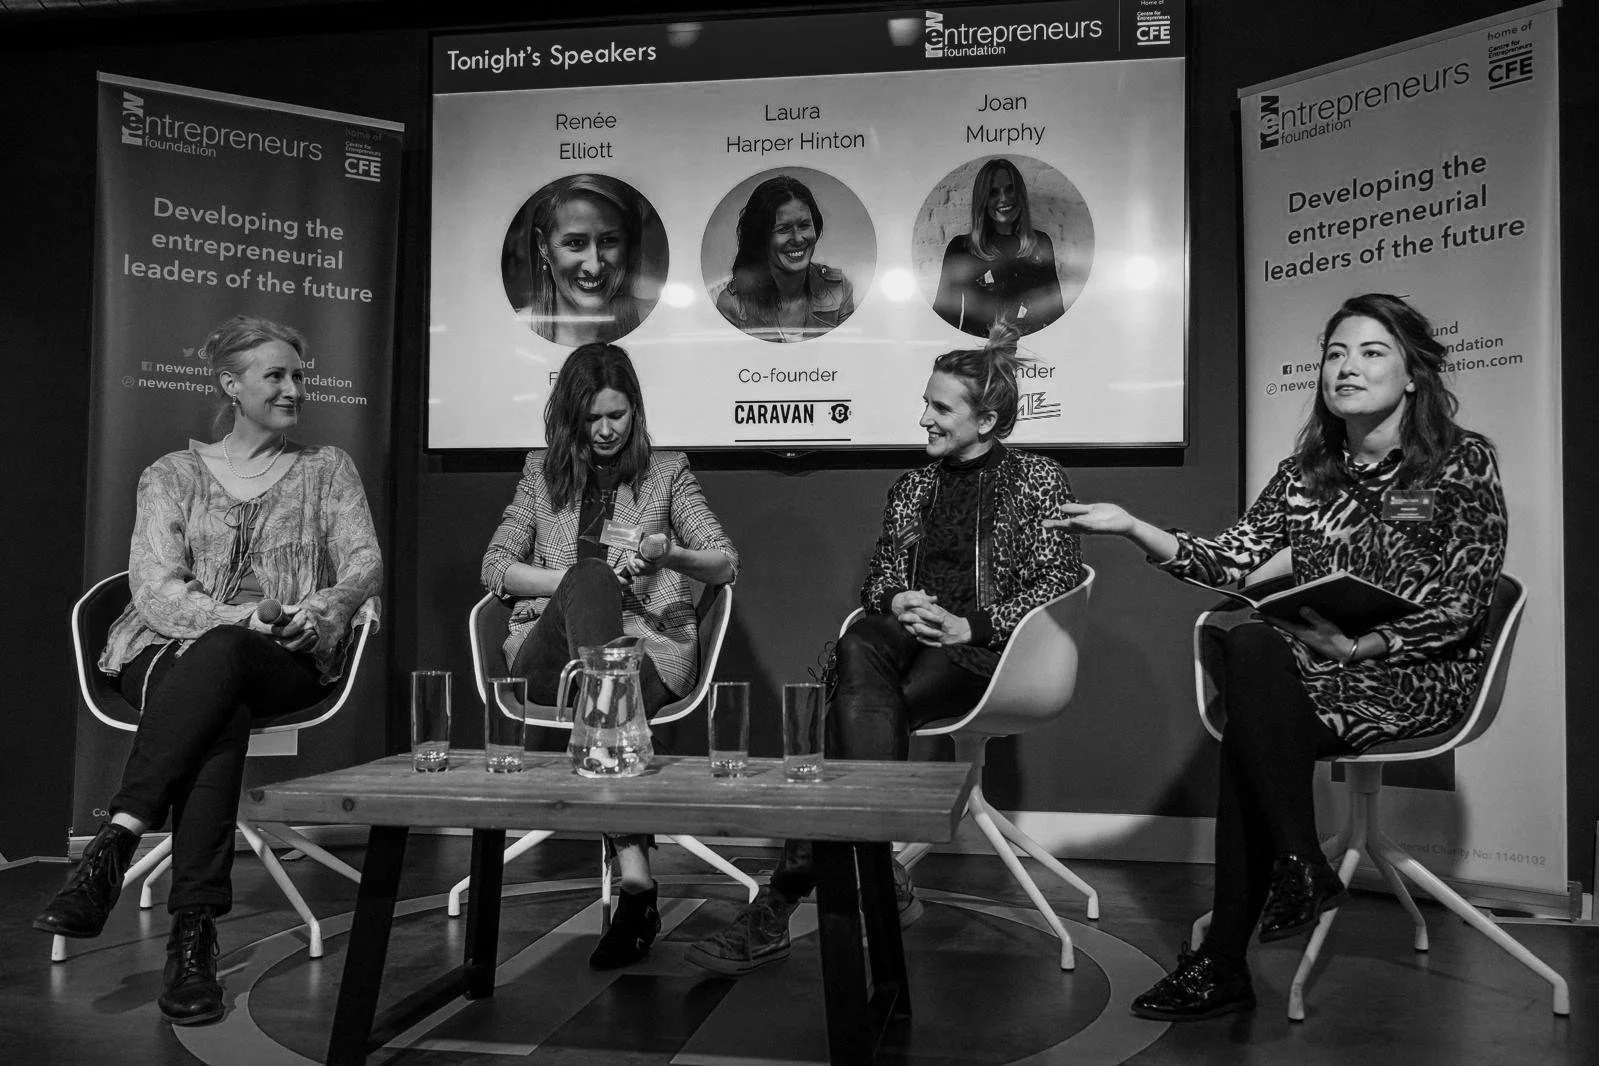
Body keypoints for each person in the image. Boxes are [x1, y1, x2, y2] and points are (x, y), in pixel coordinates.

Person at [1052, 293, 1508, 1022]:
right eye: (1334, 353)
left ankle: (1225, 955)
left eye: (1370, 352)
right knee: (1253, 636)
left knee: (1251, 732)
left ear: (1413, 373)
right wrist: (1132, 526)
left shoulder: (1460, 461)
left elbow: (1464, 602)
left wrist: (1367, 643)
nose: (1346, 368)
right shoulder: (1306, 472)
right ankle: (1299, 862)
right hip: (1319, 673)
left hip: (1413, 675)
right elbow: (1229, 563)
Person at [688, 322, 1084, 975]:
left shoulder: (1037, 479)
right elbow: (880, 580)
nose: (921, 417)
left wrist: (973, 626)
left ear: (986, 419)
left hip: (989, 657)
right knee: (861, 638)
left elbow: (1058, 577)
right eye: (925, 402)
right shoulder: (913, 487)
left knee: (857, 702)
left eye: (939, 407)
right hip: (906, 641)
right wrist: (899, 600)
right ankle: (877, 877)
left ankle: (781, 900)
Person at [33, 316, 382, 1026]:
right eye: (276, 376)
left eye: (299, 376)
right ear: (231, 385)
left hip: (287, 653)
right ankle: (193, 939)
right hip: (165, 647)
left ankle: (118, 837)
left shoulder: (327, 468)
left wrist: (311, 613)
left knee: (224, 667)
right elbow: (157, 590)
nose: (294, 389)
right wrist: (237, 620)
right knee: (218, 685)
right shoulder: (171, 474)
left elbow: (363, 565)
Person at [481, 341, 739, 969]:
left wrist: (669, 555)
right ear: (570, 418)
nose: (605, 430)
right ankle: (637, 885)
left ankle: (636, 883)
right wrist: (576, 581)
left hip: (649, 649)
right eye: (592, 418)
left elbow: (725, 561)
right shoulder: (541, 474)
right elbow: (495, 566)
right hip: (547, 654)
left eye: (617, 416)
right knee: (592, 583)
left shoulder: (667, 473)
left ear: (636, 413)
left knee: (611, 675)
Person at [712, 174, 855, 343]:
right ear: (760, 237)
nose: (798, 239)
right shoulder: (732, 303)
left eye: (804, 225)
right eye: (783, 229)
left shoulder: (839, 289)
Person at [932, 157, 1064, 337]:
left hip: (1033, 358)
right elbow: (944, 320)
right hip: (980, 357)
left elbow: (1056, 314)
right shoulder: (961, 248)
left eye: (1010, 189)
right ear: (982, 200)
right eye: (993, 192)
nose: (1004, 198)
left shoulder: (1041, 243)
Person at [518, 173, 651, 347]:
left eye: (608, 241)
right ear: (543, 245)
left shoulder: (658, 320)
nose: (594, 267)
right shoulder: (514, 331)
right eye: (575, 243)